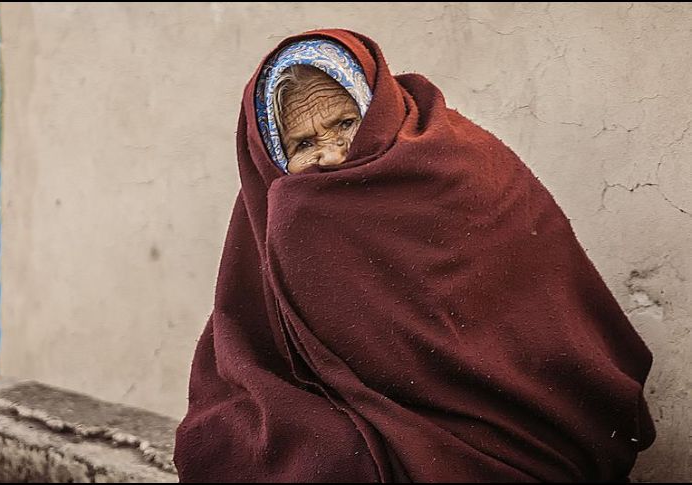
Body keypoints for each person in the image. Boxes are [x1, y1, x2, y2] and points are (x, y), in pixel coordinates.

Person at [174, 29, 656, 482]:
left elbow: (538, 309)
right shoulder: (287, 214)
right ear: (272, 159)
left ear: (379, 109)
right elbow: (256, 352)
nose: (332, 154)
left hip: (526, 415)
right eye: (303, 143)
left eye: (345, 123)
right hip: (370, 416)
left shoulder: (459, 163)